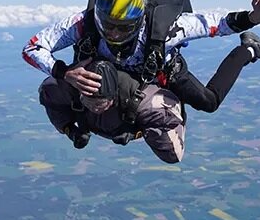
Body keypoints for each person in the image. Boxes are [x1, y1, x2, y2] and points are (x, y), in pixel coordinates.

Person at [22, 0, 260, 115]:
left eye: (122, 26)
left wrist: (256, 16)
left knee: (209, 102)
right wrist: (64, 72)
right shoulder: (83, 22)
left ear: (139, 19)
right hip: (117, 72)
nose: (112, 33)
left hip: (160, 68)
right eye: (108, 23)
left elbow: (219, 24)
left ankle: (249, 49)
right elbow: (32, 48)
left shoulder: (168, 28)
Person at [39, 60, 186, 163]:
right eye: (91, 101)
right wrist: (69, 129)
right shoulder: (57, 89)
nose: (97, 108)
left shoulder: (151, 104)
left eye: (102, 102)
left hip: (145, 109)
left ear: (113, 96)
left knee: (170, 155)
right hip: (104, 116)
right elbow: (52, 102)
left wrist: (138, 132)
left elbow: (174, 149)